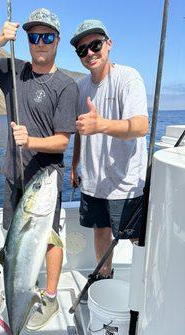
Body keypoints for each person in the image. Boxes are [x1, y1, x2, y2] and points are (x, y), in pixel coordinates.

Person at [0, 9, 78, 330]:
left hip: (44, 180)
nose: (40, 43)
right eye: (33, 37)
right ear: (26, 40)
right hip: (13, 176)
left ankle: (51, 297)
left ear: (57, 40)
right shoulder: (14, 71)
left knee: (51, 238)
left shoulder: (66, 86)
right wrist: (1, 39)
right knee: (13, 242)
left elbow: (61, 143)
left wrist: (31, 141)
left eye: (47, 37)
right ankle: (17, 293)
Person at [69, 19, 149, 279]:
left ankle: (144, 285)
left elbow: (140, 126)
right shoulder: (80, 87)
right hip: (93, 182)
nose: (90, 53)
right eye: (82, 50)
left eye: (95, 45)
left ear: (109, 44)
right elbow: (82, 130)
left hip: (125, 183)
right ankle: (104, 276)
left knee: (135, 238)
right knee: (100, 229)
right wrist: (74, 164)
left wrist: (101, 124)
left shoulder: (128, 78)